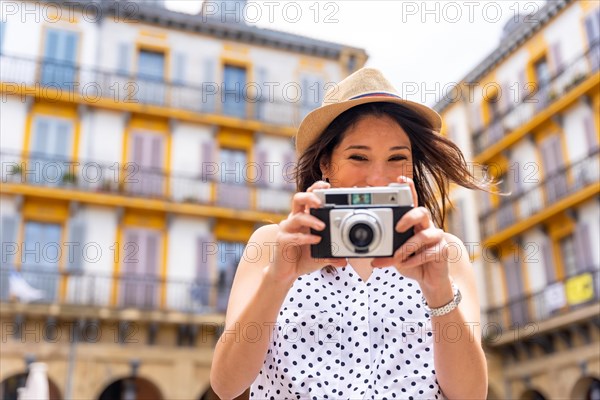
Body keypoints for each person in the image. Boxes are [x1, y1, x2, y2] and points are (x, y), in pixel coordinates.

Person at [210, 68, 489, 399]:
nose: (377, 177)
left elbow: (471, 394)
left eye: (397, 158)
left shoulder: (445, 253)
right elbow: (226, 385)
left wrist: (439, 291)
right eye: (358, 157)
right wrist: (278, 280)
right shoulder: (272, 244)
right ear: (325, 163)